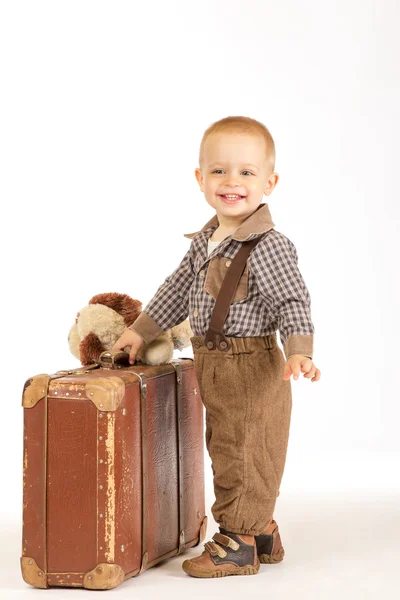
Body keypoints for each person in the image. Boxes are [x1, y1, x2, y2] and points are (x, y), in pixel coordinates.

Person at [112, 115, 321, 578]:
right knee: (227, 445)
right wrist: (142, 330)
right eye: (220, 171)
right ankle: (261, 530)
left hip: (251, 362)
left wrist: (299, 349)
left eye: (247, 172)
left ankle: (239, 542)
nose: (232, 182)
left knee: (245, 448)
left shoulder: (270, 245)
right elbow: (176, 289)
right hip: (213, 362)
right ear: (200, 178)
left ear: (270, 181)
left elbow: (291, 298)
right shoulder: (206, 240)